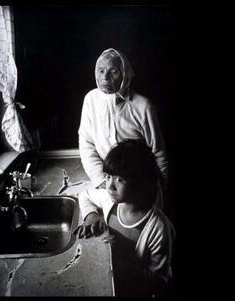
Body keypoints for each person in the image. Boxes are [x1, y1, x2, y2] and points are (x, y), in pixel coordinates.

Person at [74, 139, 175, 297]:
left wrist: (125, 260)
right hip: (110, 279)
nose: (109, 186)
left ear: (140, 182)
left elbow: (159, 280)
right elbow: (85, 195)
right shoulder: (110, 202)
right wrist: (91, 217)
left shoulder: (158, 229)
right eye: (108, 177)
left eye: (119, 179)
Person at [78, 48, 169, 196]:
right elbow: (86, 143)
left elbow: (158, 153)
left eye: (113, 71)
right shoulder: (91, 100)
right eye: (101, 71)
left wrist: (159, 193)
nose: (105, 78)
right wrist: (101, 180)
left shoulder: (143, 106)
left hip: (139, 184)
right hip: (106, 184)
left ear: (125, 74)